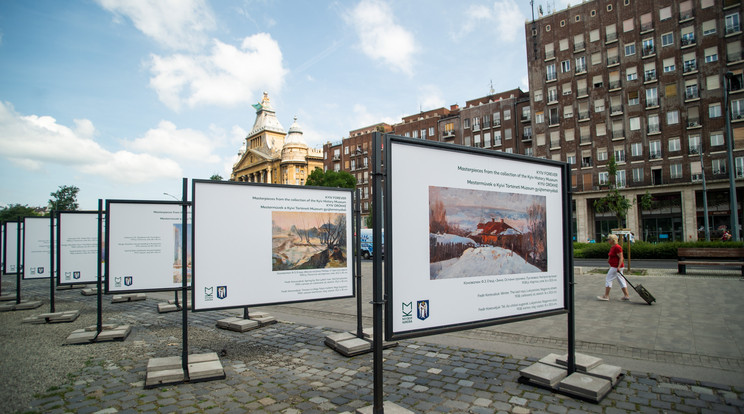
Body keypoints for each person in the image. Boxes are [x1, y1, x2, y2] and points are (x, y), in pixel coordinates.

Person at [597, 234, 630, 301]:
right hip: (615, 266)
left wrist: (618, 266)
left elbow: (621, 257)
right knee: (621, 280)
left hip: (615, 267)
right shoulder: (613, 247)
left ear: (612, 240)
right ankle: (626, 295)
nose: (608, 241)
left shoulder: (617, 247)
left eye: (609, 239)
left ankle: (606, 296)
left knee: (608, 279)